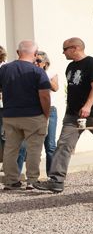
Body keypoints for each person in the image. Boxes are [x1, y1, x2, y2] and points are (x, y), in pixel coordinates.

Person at [34, 37, 93, 193]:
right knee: (63, 144)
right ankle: (56, 180)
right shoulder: (70, 67)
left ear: (74, 48)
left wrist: (87, 106)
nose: (63, 52)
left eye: (65, 49)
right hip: (72, 114)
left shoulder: (92, 63)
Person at [1, 41, 51, 191]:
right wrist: (46, 114)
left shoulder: (4, 69)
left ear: (18, 52)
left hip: (10, 115)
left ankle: (11, 181)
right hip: (33, 115)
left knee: (10, 148)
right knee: (34, 149)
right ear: (36, 55)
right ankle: (32, 181)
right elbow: (45, 96)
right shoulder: (37, 71)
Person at [16, 50, 59, 182]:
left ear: (45, 63)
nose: (36, 63)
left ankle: (52, 177)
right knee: (23, 145)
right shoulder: (29, 74)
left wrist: (42, 74)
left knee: (50, 145)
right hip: (31, 111)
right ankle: (15, 177)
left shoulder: (50, 73)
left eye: (39, 61)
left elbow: (55, 88)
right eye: (35, 60)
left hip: (49, 111)